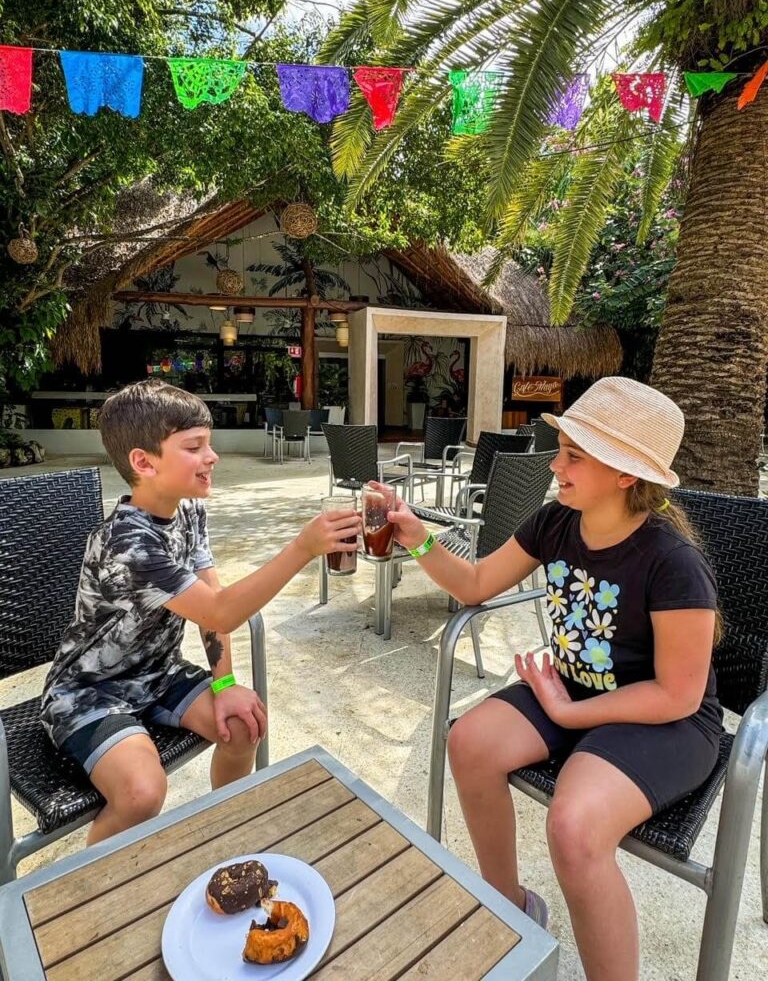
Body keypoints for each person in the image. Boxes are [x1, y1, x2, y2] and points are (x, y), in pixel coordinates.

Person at [384, 376, 722, 981]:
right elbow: (477, 584)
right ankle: (511, 908)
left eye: (573, 456)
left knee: (573, 826)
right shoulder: (555, 523)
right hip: (570, 689)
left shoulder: (674, 563)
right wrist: (417, 536)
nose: (555, 466)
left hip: (664, 720)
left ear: (625, 476)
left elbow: (679, 694)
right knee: (471, 742)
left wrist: (567, 713)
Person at [40, 379, 359, 846]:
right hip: (89, 690)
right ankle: (86, 891)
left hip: (159, 674)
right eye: (195, 447)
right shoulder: (127, 541)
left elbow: (211, 595)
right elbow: (221, 612)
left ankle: (223, 840)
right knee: (143, 793)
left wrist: (225, 683)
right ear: (143, 462)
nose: (212, 457)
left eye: (209, 444)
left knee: (242, 725)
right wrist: (303, 547)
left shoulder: (188, 510)